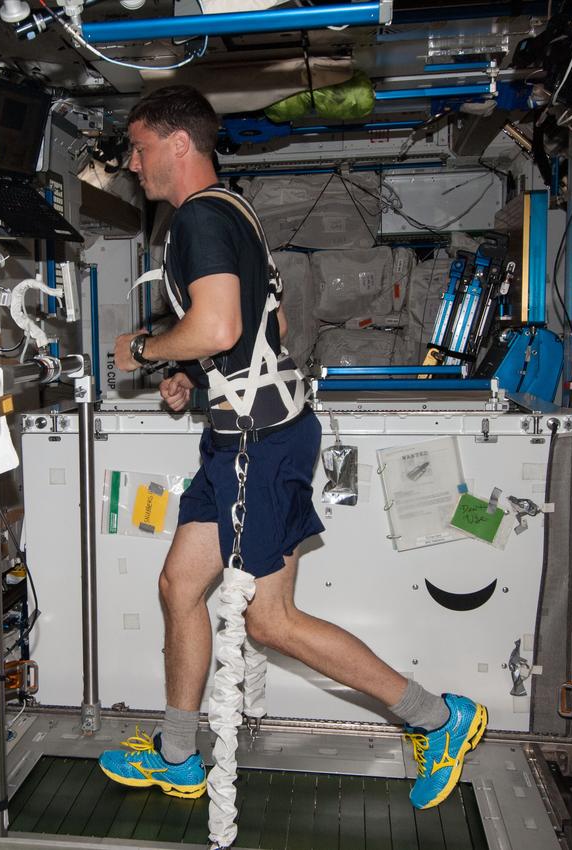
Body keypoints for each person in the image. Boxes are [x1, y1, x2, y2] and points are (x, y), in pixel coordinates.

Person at [98, 85, 487, 811]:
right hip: (240, 436)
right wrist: (191, 377)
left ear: (178, 144)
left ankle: (439, 717)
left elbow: (217, 327)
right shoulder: (232, 212)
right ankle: (180, 755)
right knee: (179, 586)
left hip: (259, 445)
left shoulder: (197, 221)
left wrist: (148, 349)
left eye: (140, 146)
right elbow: (256, 336)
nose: (133, 163)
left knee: (269, 622)